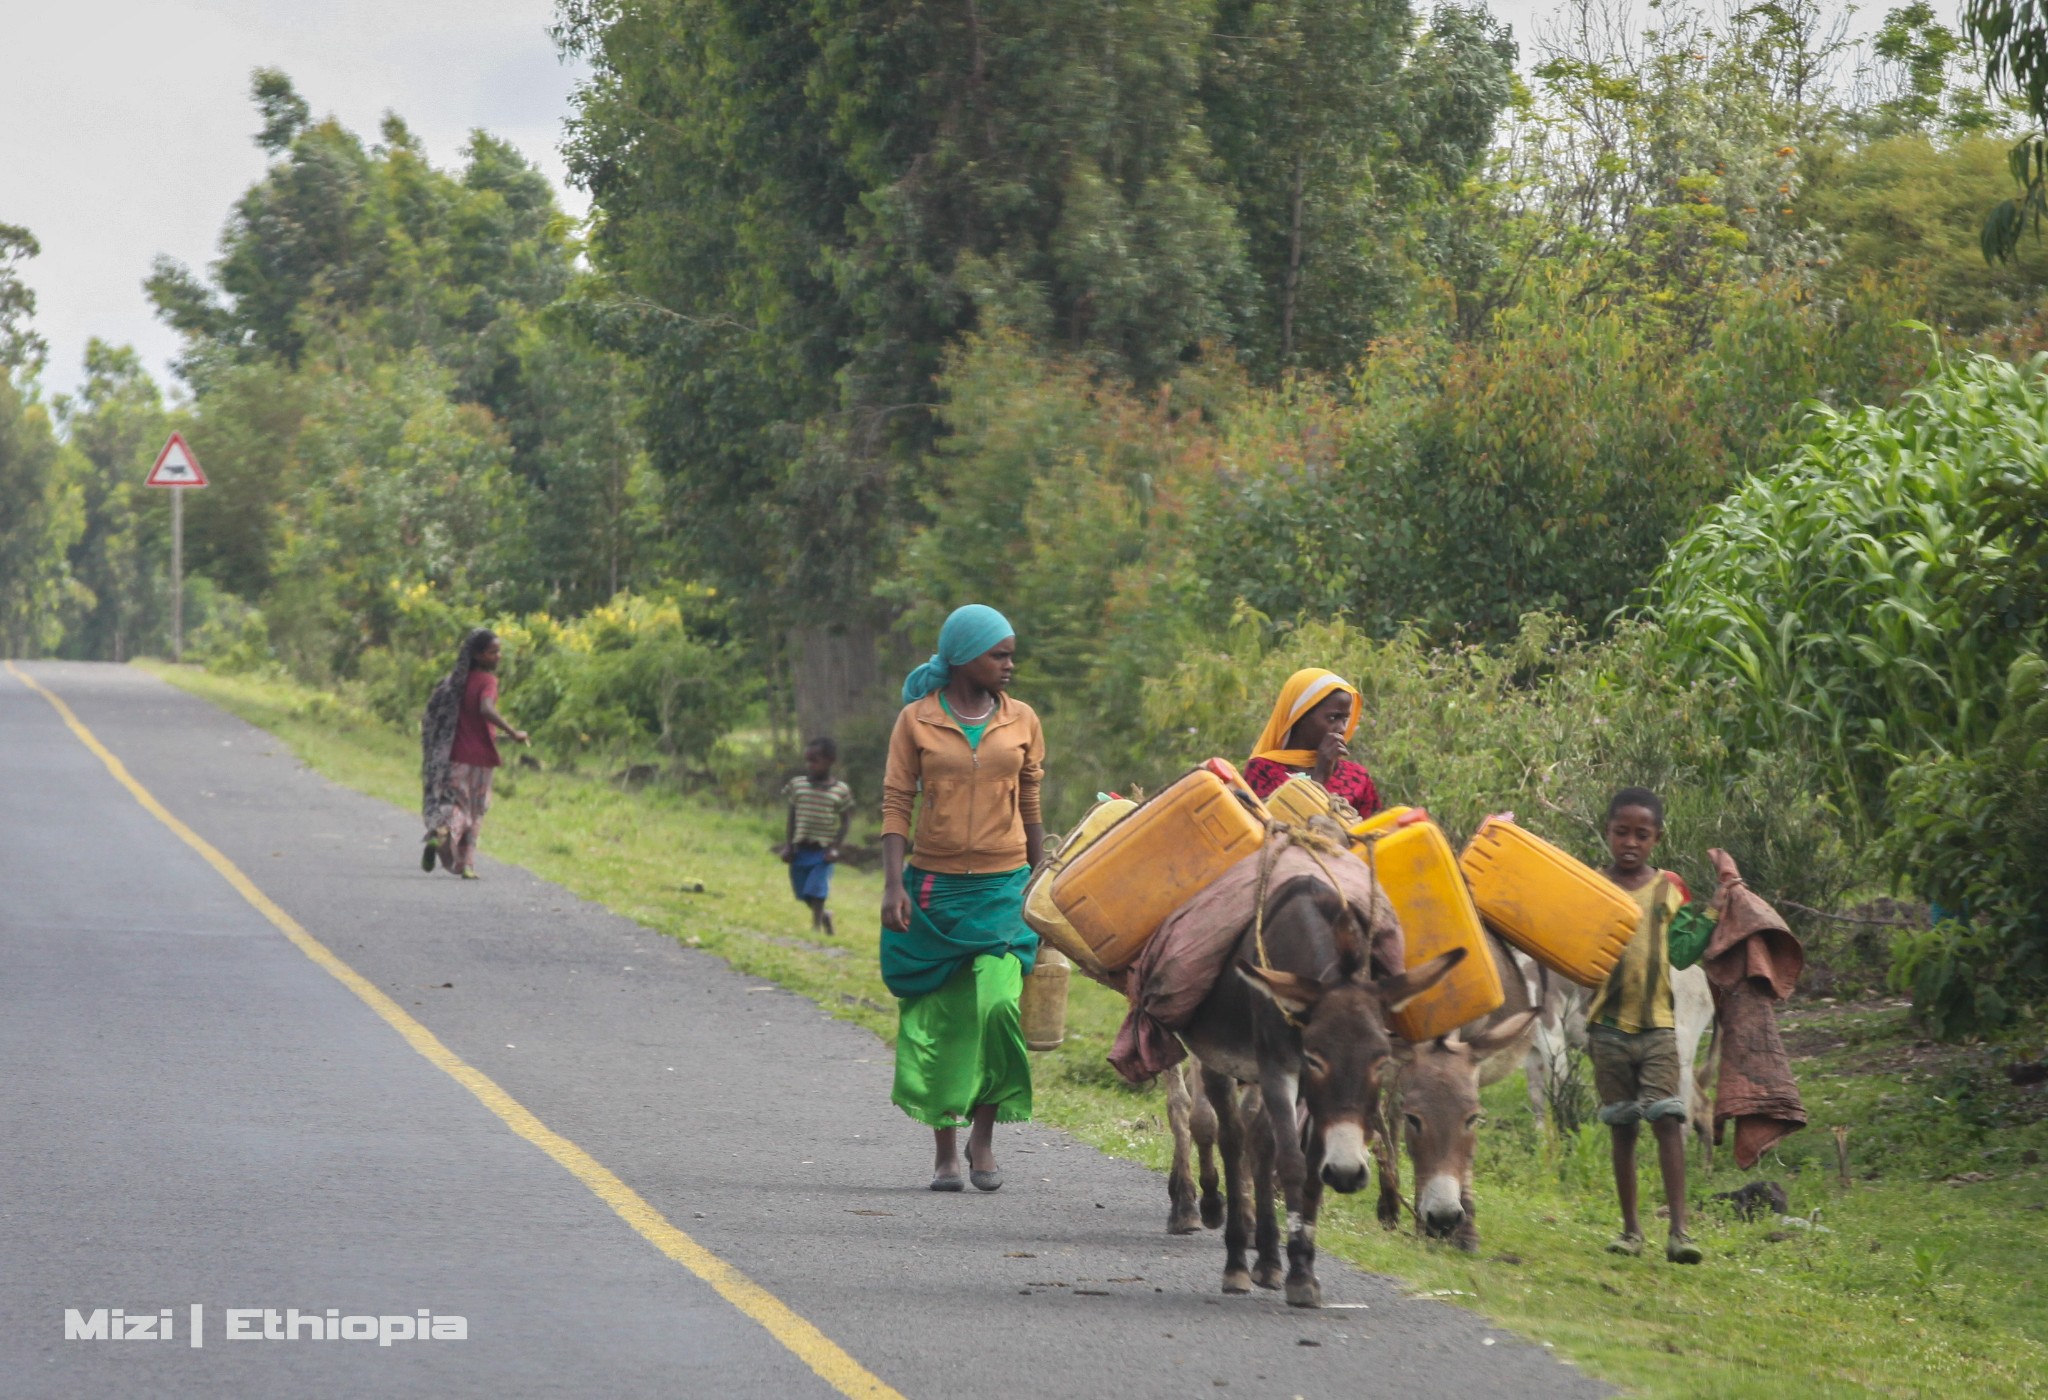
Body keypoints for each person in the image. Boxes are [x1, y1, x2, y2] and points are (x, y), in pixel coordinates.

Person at [879, 604, 1045, 1193]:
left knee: (998, 1007)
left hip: (1004, 886)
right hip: (933, 887)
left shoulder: (1022, 719)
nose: (1009, 664)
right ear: (962, 658)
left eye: (1009, 653)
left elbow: (1030, 800)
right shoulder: (916, 721)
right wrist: (893, 883)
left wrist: (1040, 872)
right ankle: (946, 1151)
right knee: (940, 1022)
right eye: (998, 654)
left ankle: (986, 1134)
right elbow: (897, 801)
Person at [1588, 786, 1740, 1264]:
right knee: (1622, 1128)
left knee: (1669, 1120)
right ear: (1607, 832)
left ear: (1656, 838)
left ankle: (1679, 1232)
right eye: (1621, 833)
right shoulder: (1589, 886)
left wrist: (1713, 911)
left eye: (1641, 834)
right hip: (1607, 1027)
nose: (1630, 843)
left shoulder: (1668, 891)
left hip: (1658, 1026)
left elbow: (1681, 952)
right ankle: (1631, 1231)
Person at [420, 628, 527, 880]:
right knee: (476, 811)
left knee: (457, 806)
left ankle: (442, 832)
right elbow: (485, 709)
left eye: (499, 651)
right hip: (479, 759)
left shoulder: (455, 682)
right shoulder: (487, 681)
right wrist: (513, 732)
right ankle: (467, 865)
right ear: (478, 655)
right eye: (493, 652)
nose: (498, 656)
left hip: (454, 757)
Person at [1242, 667, 1380, 817]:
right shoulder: (1263, 769)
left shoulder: (1357, 776)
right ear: (1299, 716)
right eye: (1333, 718)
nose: (1341, 728)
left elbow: (1374, 834)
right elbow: (1265, 828)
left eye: (1345, 719)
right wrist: (1319, 776)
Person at [778, 737, 855, 936]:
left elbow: (845, 822)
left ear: (830, 761)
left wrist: (835, 847)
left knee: (818, 889)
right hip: (800, 849)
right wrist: (788, 845)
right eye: (807, 760)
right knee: (803, 892)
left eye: (815, 760)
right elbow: (792, 816)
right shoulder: (798, 785)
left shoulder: (841, 790)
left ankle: (815, 927)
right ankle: (823, 915)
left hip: (822, 851)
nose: (810, 765)